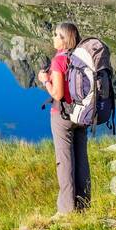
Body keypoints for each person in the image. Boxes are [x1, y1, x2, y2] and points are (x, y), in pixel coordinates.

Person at [36, 21, 90, 213]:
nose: (53, 38)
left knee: (65, 162)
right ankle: (83, 206)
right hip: (81, 114)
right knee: (81, 160)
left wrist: (45, 82)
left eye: (56, 35)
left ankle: (66, 211)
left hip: (62, 116)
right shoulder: (79, 57)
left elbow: (57, 94)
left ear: (63, 39)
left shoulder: (58, 60)